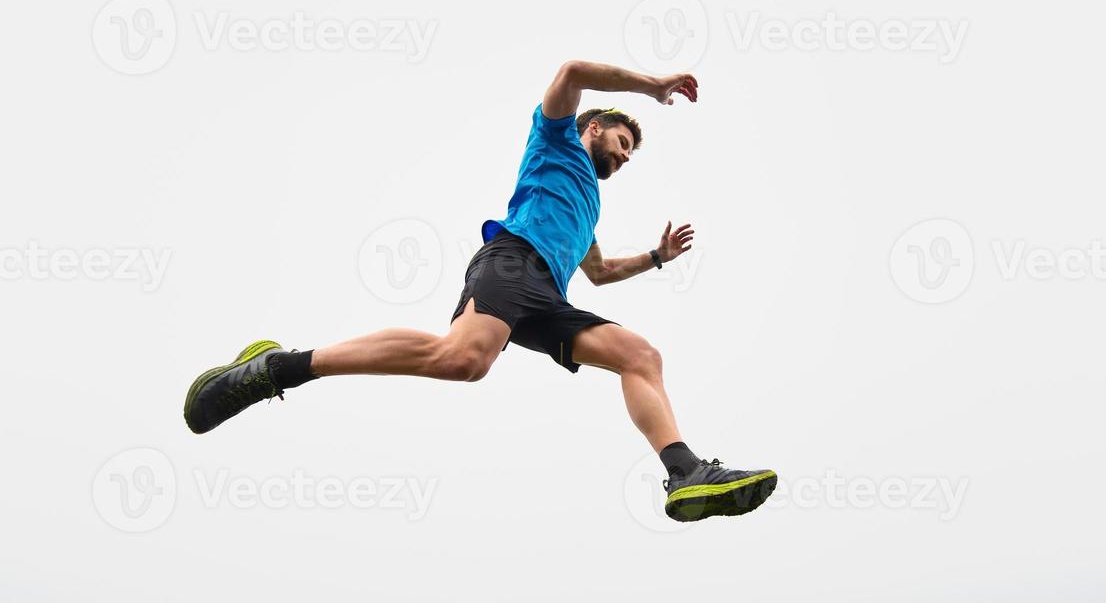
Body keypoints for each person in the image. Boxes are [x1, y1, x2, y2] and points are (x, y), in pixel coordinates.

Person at [181, 60, 776, 523]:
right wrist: (650, 85)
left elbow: (599, 273)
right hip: (511, 262)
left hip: (549, 295)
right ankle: (277, 369)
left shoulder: (587, 210)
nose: (620, 158)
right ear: (593, 127)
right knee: (463, 360)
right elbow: (570, 71)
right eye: (618, 144)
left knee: (641, 356)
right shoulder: (556, 141)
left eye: (626, 157)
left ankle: (685, 472)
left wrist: (656, 257)